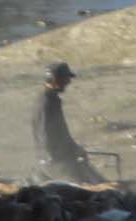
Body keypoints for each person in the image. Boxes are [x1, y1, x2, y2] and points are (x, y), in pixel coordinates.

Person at [30, 59, 103, 187]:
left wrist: (74, 148)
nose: (68, 82)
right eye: (65, 79)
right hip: (53, 161)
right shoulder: (45, 103)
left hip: (61, 157)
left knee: (99, 180)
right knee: (83, 189)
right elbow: (45, 136)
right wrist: (61, 157)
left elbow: (61, 133)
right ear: (54, 80)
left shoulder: (52, 100)